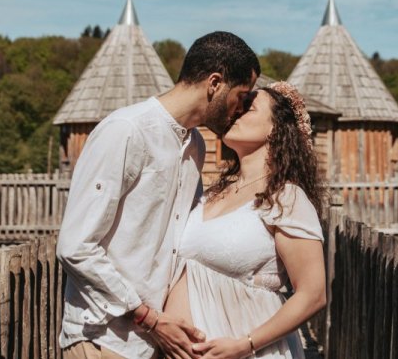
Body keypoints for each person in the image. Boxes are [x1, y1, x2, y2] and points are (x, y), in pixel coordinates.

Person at [56, 31, 260, 359]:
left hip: (154, 344)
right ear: (215, 83)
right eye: (242, 95)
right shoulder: (126, 130)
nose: (241, 109)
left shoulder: (195, 146)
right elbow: (75, 246)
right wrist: (147, 317)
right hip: (104, 340)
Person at [163, 81, 327, 359]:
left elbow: (313, 294)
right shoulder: (212, 192)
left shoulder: (286, 197)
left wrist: (244, 344)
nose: (235, 113)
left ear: (276, 128)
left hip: (247, 351)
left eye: (248, 108)